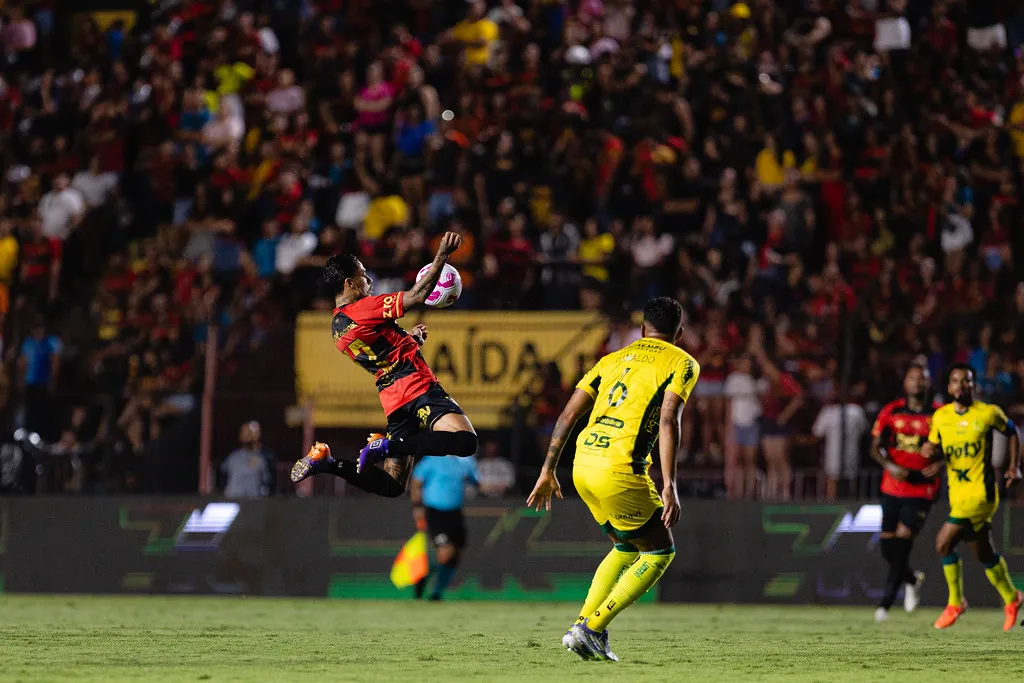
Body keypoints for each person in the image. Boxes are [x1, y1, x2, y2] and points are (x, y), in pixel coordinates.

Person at [527, 297, 700, 661]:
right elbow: (668, 419)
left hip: (583, 464)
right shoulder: (682, 362)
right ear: (679, 333)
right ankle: (592, 629)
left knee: (625, 547)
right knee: (659, 552)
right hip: (619, 469)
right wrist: (669, 484)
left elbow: (568, 414)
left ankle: (582, 625)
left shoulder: (610, 359)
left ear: (642, 328)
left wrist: (547, 469)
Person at [290, 232, 478, 496]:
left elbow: (381, 352)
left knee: (392, 485)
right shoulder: (363, 308)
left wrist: (410, 339)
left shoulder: (338, 328)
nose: (369, 280)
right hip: (416, 384)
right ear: (349, 283)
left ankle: (328, 463)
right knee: (465, 442)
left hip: (392, 398)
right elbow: (415, 296)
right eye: (363, 275)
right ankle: (387, 446)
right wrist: (442, 256)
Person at [923, 363, 1022, 631]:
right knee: (984, 552)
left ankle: (956, 602)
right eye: (956, 381)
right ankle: (1012, 597)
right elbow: (935, 447)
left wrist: (1014, 466)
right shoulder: (941, 417)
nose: (961, 385)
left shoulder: (988, 413)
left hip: (981, 494)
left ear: (973, 385)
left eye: (966, 380)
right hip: (957, 493)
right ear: (949, 387)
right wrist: (930, 454)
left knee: (943, 543)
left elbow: (1012, 431)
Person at [868, 363, 941, 622]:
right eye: (912, 378)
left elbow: (954, 448)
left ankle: (884, 605)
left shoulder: (939, 415)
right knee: (887, 548)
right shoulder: (891, 411)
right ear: (905, 383)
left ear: (928, 383)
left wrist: (940, 464)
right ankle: (911, 579)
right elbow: (874, 448)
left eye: (921, 378)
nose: (916, 382)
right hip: (892, 485)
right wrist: (890, 466)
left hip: (922, 488)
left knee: (902, 543)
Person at [409, 454, 479, 601]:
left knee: (455, 556)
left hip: (455, 513)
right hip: (436, 513)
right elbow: (416, 482)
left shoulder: (466, 462)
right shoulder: (432, 460)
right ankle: (423, 579)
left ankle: (436, 592)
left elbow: (477, 481)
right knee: (445, 552)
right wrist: (417, 506)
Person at [812, 389, 868, 501]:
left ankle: (835, 506)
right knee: (846, 481)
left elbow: (817, 433)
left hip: (842, 454)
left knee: (836, 480)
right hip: (844, 454)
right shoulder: (855, 410)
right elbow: (865, 429)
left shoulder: (853, 411)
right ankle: (848, 505)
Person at [220, 421, 275, 498]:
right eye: (244, 432)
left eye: (249, 432)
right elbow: (223, 476)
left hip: (253, 500)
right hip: (233, 498)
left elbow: (268, 482)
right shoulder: (233, 457)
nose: (246, 435)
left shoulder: (264, 457)